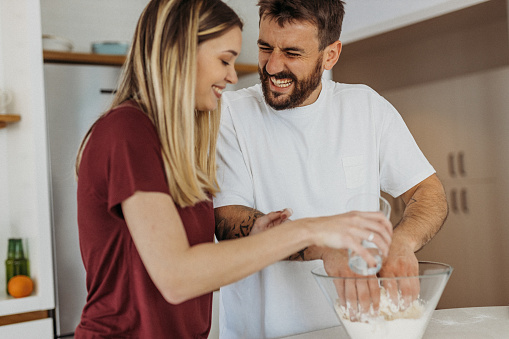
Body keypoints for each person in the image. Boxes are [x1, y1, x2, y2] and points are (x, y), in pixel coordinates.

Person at [73, 0, 393, 338]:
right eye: (224, 59)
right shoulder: (127, 130)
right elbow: (177, 277)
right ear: (179, 54)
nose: (231, 75)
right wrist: (309, 230)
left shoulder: (171, 145)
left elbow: (194, 260)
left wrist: (257, 236)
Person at [213, 0, 448, 338]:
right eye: (266, 47)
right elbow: (228, 219)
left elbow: (428, 191)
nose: (273, 65)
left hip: (359, 328)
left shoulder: (366, 107)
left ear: (330, 55)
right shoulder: (230, 114)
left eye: (292, 53)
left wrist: (401, 242)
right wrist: (325, 247)